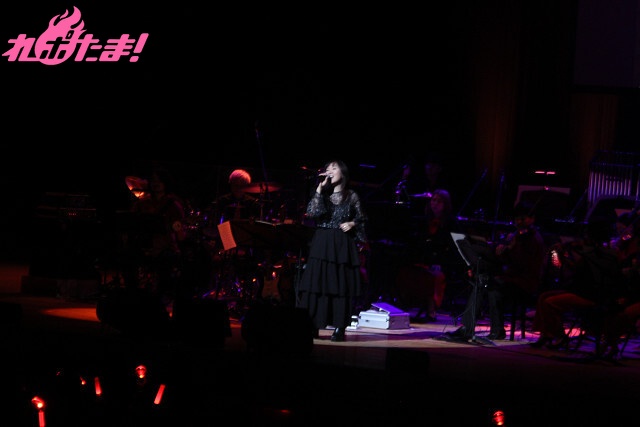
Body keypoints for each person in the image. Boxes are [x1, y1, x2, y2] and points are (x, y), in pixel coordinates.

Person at [445, 201, 545, 341]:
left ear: (532, 219)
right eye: (516, 219)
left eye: (522, 219)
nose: (519, 222)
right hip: (512, 277)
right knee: (482, 280)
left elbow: (521, 266)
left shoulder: (533, 239)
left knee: (490, 284)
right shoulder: (518, 236)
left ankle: (491, 330)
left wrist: (507, 252)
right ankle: (471, 327)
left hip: (524, 282)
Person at [297, 160, 367, 342]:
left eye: (334, 168)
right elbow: (312, 213)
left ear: (343, 173)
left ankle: (339, 327)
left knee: (340, 286)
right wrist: (319, 189)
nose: (329, 171)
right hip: (322, 243)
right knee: (316, 285)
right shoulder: (322, 194)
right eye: (327, 168)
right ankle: (312, 325)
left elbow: (362, 219)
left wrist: (352, 223)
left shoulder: (351, 195)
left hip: (341, 245)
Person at [394, 189, 463, 321]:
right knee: (403, 272)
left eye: (439, 201)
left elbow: (456, 247)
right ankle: (402, 307)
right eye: (433, 200)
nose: (435, 204)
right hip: (423, 260)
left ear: (445, 205)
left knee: (434, 277)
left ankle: (431, 311)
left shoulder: (451, 223)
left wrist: (440, 262)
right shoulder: (424, 221)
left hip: (442, 263)